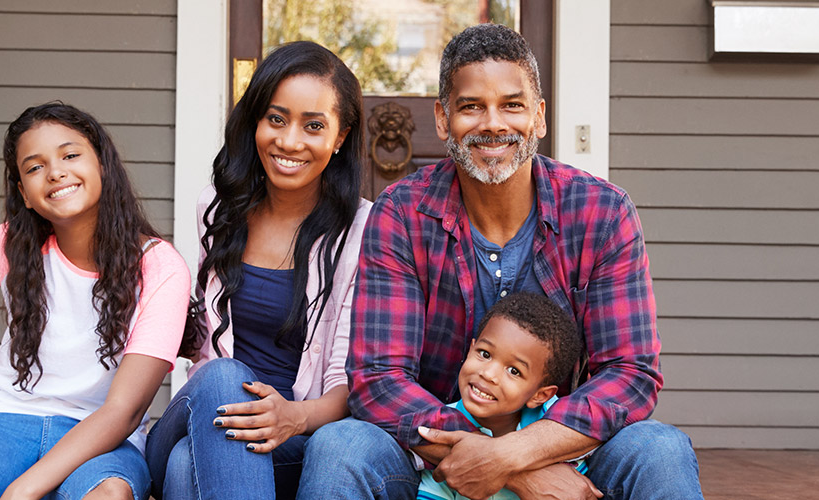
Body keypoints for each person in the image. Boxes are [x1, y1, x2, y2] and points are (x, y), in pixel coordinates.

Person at [300, 24, 704, 500]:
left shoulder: (602, 212)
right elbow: (379, 380)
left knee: (660, 449)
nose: (494, 123)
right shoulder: (403, 213)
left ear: (539, 117)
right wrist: (506, 464)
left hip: (562, 445)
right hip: (424, 457)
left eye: (512, 105)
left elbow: (630, 373)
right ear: (442, 119)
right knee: (340, 444)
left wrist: (518, 453)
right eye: (472, 106)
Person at [0, 103, 190, 500]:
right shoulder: (17, 245)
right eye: (34, 167)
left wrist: (22, 490)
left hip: (102, 436)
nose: (56, 172)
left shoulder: (159, 267)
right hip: (1, 422)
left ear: (103, 165)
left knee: (109, 495)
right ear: (24, 194)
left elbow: (124, 411)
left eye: (70, 155)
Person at [143, 40, 371, 500]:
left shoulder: (362, 230)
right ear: (255, 122)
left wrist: (293, 416)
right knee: (226, 377)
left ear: (341, 136)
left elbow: (350, 378)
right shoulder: (219, 208)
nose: (289, 142)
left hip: (296, 434)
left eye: (313, 126)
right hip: (200, 411)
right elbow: (208, 350)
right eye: (276, 119)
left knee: (189, 468)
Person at [418, 293, 587, 500]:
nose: (488, 374)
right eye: (485, 354)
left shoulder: (557, 428)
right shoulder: (443, 427)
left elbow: (573, 489)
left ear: (539, 395)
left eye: (514, 371)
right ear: (471, 349)